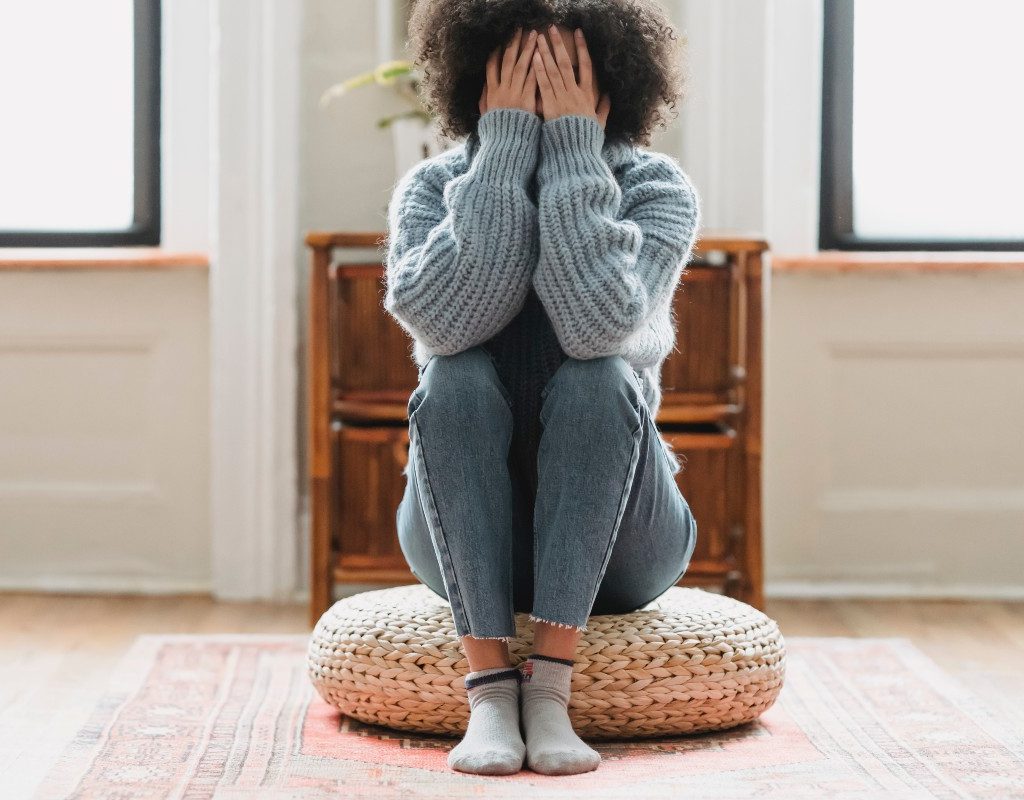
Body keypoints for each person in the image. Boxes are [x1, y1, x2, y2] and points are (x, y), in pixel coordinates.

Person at [384, 0, 701, 777]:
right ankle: (491, 688)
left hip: (625, 542)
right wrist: (501, 158)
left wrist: (572, 154)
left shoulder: (656, 189)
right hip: (459, 533)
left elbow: (597, 329)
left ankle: (550, 688)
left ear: (611, 79)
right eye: (521, 67)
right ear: (477, 77)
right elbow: (449, 324)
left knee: (597, 377)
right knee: (453, 376)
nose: (541, 84)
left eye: (564, 70)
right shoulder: (432, 188)